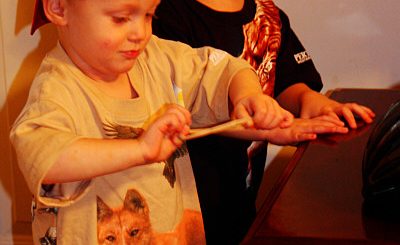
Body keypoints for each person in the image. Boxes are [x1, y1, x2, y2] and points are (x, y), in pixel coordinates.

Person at [9, 0, 304, 244]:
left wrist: (247, 96)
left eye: (149, 14)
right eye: (121, 18)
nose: (140, 32)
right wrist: (140, 150)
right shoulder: (56, 89)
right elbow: (45, 157)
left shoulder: (157, 59)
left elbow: (223, 67)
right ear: (59, 8)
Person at [152, 0, 375, 243]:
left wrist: (308, 101)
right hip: (192, 200)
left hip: (240, 197)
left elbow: (284, 80)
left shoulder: (268, 14)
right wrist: (267, 127)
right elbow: (180, 105)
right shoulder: (161, 15)